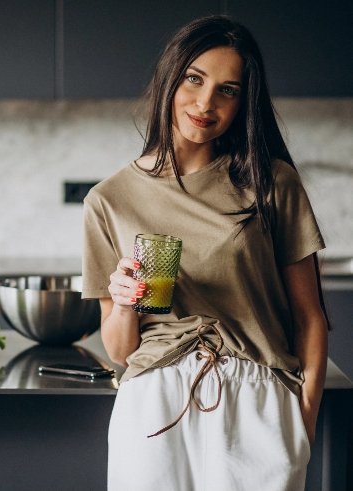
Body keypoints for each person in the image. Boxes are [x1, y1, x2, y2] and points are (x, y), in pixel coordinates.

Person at [82, 15, 328, 491]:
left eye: (228, 90)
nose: (205, 102)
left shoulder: (272, 183)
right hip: (153, 403)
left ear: (243, 103)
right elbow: (118, 350)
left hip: (256, 399)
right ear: (169, 78)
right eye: (194, 79)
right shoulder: (109, 200)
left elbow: (310, 317)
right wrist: (127, 299)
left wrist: (304, 422)